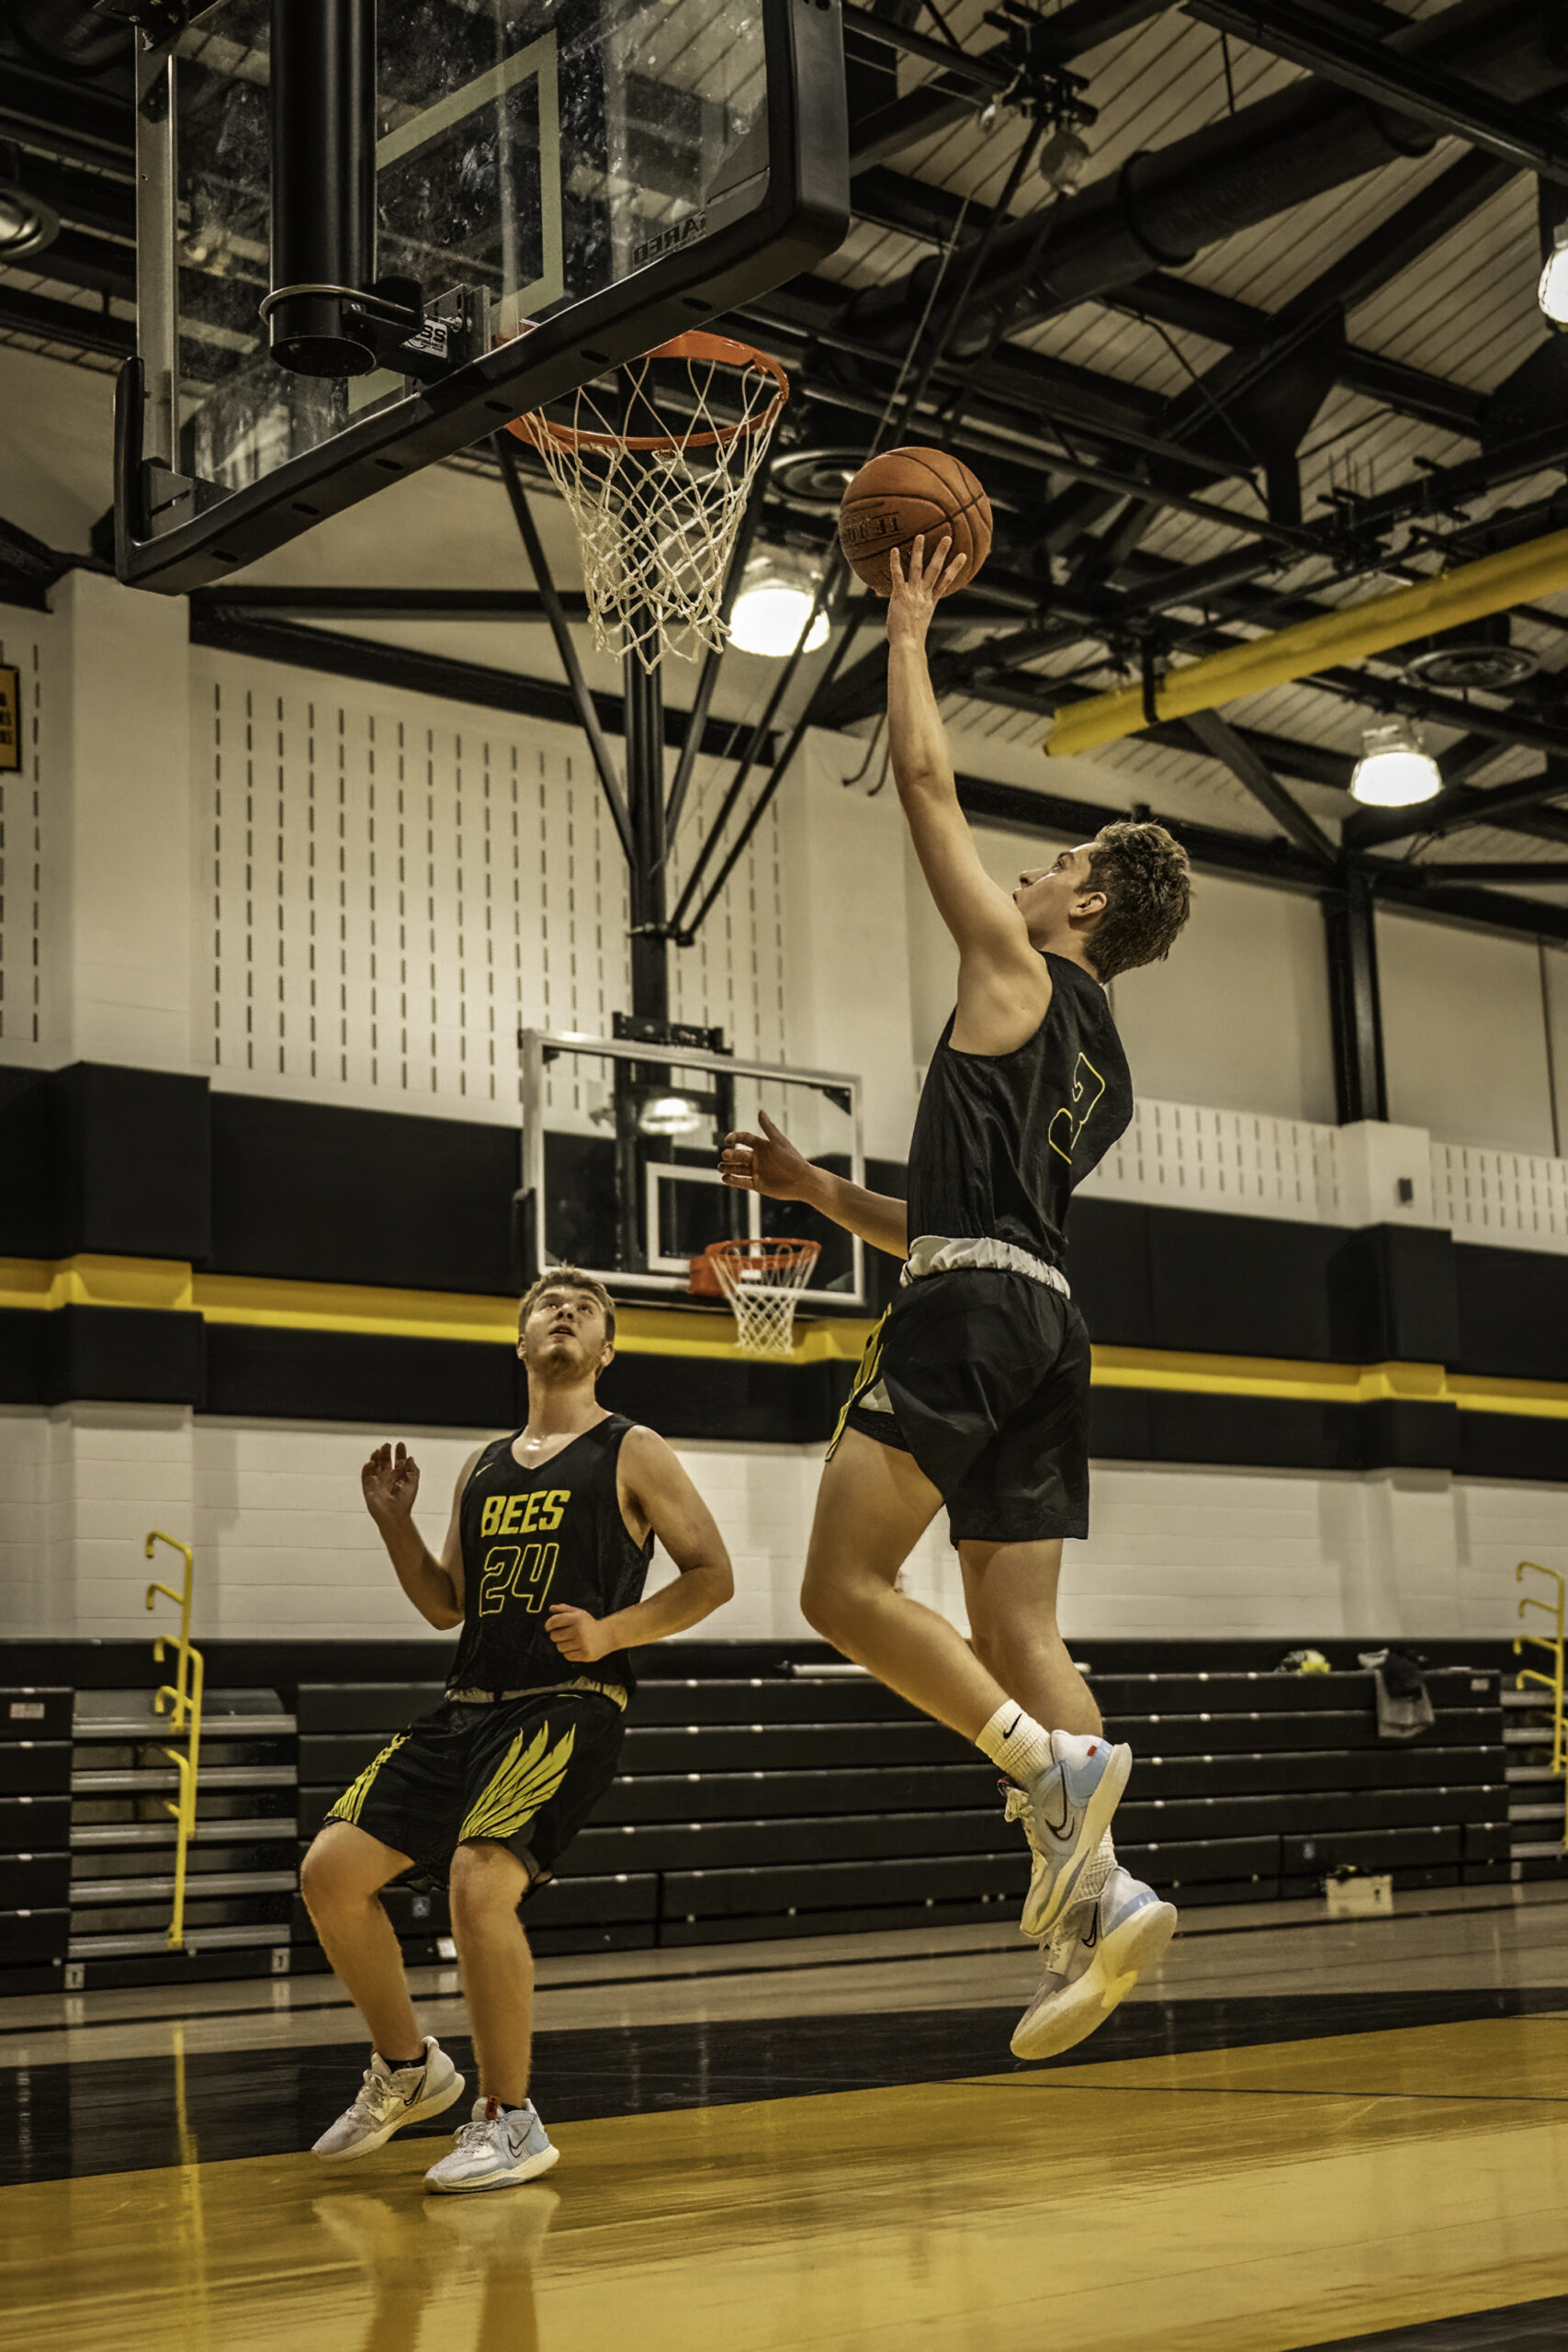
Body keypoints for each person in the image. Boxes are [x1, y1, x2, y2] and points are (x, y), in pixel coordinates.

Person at [719, 531, 1191, 2061]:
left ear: (1088, 905)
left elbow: (926, 796)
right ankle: (1106, 1892)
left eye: (1057, 867)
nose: (1029, 874)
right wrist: (816, 1200)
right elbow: (955, 1217)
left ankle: (1044, 1778)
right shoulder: (1108, 1063)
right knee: (1013, 1615)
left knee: (837, 1592)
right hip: (1046, 1323)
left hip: (971, 1315)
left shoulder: (1016, 965)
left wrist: (907, 625)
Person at [301, 1268, 734, 2188]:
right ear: (523, 1341)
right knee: (330, 1872)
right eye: (549, 1306)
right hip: (468, 1706)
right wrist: (395, 1526)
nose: (566, 1313)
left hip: (569, 1707)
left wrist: (613, 1632)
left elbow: (711, 1575)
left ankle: (511, 2115)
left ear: (606, 1350)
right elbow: (444, 1603)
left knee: (476, 1881)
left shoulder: (633, 1447)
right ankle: (409, 2068)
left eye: (586, 1310)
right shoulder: (484, 1465)